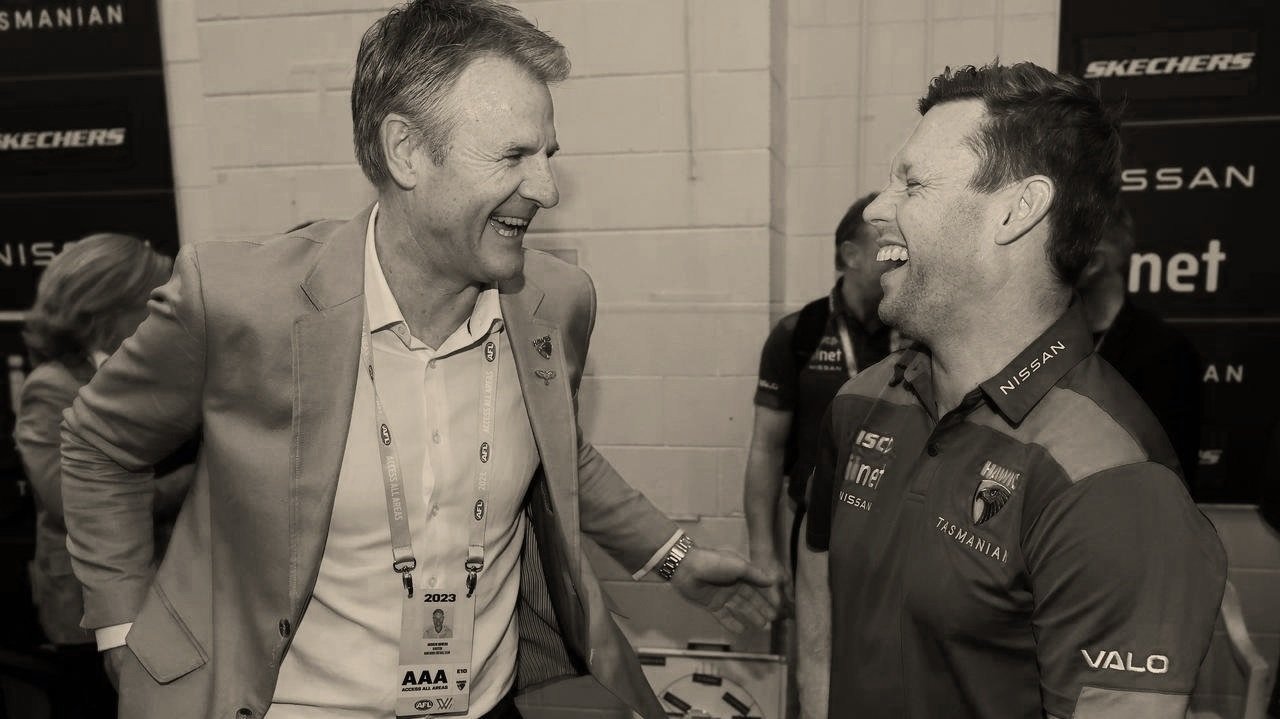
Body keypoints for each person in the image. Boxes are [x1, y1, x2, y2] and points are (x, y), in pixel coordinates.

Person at [58, 3, 778, 719]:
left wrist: (674, 555)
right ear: (406, 151)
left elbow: (559, 452)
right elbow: (99, 443)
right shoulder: (242, 304)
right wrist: (122, 625)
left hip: (487, 704)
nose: (547, 190)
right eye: (513, 156)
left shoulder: (557, 301)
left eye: (547, 156)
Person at [796, 61, 1227, 719]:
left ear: (1017, 210)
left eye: (911, 184)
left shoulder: (1114, 484)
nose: (877, 209)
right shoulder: (860, 400)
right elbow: (817, 558)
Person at [14, 233, 193, 719]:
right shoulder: (50, 388)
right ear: (105, 310)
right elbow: (71, 503)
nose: (163, 313)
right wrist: (195, 482)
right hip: (83, 615)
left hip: (158, 596)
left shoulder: (153, 375)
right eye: (152, 301)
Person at [742, 193, 892, 718]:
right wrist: (763, 552)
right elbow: (765, 449)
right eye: (885, 242)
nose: (899, 252)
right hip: (813, 528)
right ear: (851, 255)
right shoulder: (799, 334)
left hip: (896, 528)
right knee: (815, 662)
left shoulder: (919, 332)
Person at [1076, 203, 1203, 491]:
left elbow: (1173, 475)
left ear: (1095, 262)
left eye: (1063, 248)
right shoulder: (1041, 340)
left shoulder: (1165, 351)